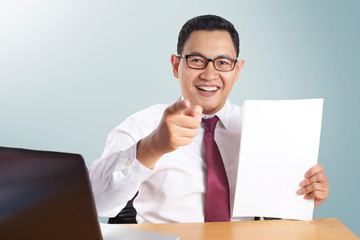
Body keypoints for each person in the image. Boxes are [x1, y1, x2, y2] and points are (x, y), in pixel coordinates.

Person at [89, 15, 329, 224]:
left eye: (223, 63)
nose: (210, 74)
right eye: (196, 60)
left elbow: (278, 216)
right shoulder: (142, 125)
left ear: (237, 70)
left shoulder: (261, 128)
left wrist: (305, 193)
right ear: (176, 65)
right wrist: (151, 147)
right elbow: (97, 203)